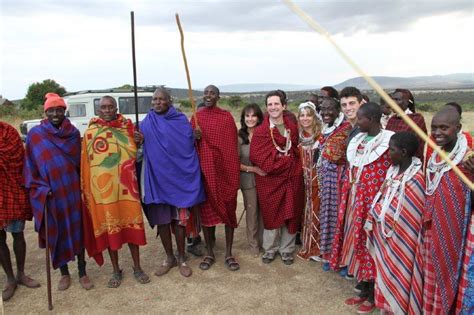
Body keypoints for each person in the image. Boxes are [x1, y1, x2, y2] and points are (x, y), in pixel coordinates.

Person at [24, 93, 93, 291]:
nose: (55, 113)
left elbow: (82, 163)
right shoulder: (36, 135)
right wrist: (41, 189)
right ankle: (64, 273)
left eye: (59, 110)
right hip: (50, 195)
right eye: (51, 110)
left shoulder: (72, 133)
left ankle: (82, 271)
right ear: (45, 112)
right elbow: (30, 167)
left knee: (78, 230)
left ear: (64, 111)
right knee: (57, 231)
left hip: (72, 192)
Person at [134, 88, 205, 277]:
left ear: (169, 101)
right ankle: (169, 257)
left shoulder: (180, 121)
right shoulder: (146, 123)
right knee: (162, 222)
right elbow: (138, 150)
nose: (157, 102)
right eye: (154, 99)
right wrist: (138, 140)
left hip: (178, 180)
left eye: (161, 99)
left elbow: (188, 146)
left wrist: (195, 136)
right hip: (157, 180)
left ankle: (182, 257)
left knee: (180, 221)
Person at [330, 102, 394, 314]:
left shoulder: (388, 141)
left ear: (374, 119)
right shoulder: (357, 139)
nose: (357, 122)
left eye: (361, 119)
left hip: (374, 205)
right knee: (358, 243)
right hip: (356, 199)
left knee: (371, 247)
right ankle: (364, 288)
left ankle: (375, 294)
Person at [81, 95, 149, 288]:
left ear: (116, 108)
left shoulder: (127, 127)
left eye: (111, 106)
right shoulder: (91, 132)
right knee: (112, 232)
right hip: (104, 194)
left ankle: (137, 267)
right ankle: (116, 270)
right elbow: (87, 162)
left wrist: (140, 141)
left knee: (132, 230)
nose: (108, 110)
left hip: (127, 191)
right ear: (99, 109)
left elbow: (136, 155)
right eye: (104, 107)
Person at [413, 107, 472, 314]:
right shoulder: (436, 153)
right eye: (434, 127)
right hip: (431, 226)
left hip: (453, 232)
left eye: (444, 128)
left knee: (447, 272)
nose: (437, 132)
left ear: (458, 128)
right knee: (431, 271)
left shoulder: (468, 157)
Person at [365, 132, 425, 314]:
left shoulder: (417, 179)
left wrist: (385, 218)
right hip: (385, 236)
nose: (388, 153)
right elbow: (383, 198)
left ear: (404, 152)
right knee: (384, 272)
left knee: (402, 273)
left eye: (391, 150)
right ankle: (386, 308)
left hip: (403, 240)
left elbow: (411, 216)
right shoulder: (392, 171)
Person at [250, 90, 304, 265]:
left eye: (276, 104)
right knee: (271, 212)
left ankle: (287, 249)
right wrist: (281, 163)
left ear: (284, 106)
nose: (273, 107)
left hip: (291, 178)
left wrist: (287, 163)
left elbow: (297, 153)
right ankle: (270, 249)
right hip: (270, 180)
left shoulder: (292, 129)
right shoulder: (261, 131)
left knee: (291, 211)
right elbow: (257, 156)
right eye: (270, 104)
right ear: (266, 108)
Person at [191, 85, 241, 271]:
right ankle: (209, 252)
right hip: (206, 173)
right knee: (207, 214)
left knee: (228, 211)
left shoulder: (226, 117)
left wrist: (233, 172)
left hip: (226, 172)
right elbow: (189, 147)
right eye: (206, 93)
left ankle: (228, 252)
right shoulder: (197, 118)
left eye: (212, 93)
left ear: (218, 96)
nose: (208, 95)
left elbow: (231, 147)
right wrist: (193, 136)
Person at [0, 122, 40, 301]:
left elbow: (19, 159)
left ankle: (21, 274)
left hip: (12, 189)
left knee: (18, 234)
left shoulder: (9, 132)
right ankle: (10, 279)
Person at [316, 97, 352, 270]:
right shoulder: (327, 129)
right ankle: (329, 255)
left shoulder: (346, 129)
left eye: (330, 109)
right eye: (322, 109)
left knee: (339, 218)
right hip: (327, 180)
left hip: (339, 180)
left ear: (338, 110)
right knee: (328, 217)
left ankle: (341, 259)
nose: (325, 113)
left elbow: (335, 155)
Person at [296, 101, 323, 261]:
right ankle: (308, 244)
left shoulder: (322, 136)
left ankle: (318, 248)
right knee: (306, 213)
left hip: (318, 182)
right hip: (303, 182)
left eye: (308, 115)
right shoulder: (298, 137)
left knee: (318, 213)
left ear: (314, 117)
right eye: (302, 115)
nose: (305, 118)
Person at [238, 103, 266, 257]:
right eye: (247, 116)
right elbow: (235, 162)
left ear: (259, 117)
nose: (250, 119)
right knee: (252, 211)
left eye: (253, 115)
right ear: (243, 118)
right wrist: (253, 169)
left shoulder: (264, 134)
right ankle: (253, 244)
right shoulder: (239, 137)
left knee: (263, 211)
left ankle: (264, 242)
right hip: (248, 179)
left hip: (265, 179)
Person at [385, 88, 427, 161]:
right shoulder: (392, 120)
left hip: (411, 162)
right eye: (392, 99)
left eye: (397, 99)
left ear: (407, 102)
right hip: (391, 160)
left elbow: (417, 144)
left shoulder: (417, 119)